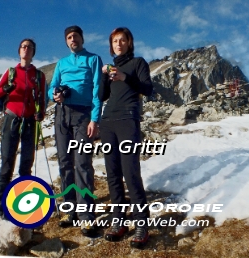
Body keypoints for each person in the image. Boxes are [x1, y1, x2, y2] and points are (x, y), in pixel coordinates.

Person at [98, 27, 153, 247]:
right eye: (114, 41)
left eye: (122, 40)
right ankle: (118, 220)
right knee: (112, 174)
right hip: (107, 121)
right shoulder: (112, 68)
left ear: (129, 42)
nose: (118, 44)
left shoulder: (138, 63)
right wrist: (104, 77)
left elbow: (147, 89)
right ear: (111, 45)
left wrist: (125, 77)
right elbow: (103, 96)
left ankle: (141, 223)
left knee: (131, 173)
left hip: (128, 119)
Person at [48, 25, 103, 237]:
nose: (73, 40)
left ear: (82, 38)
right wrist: (56, 95)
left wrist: (94, 119)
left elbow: (97, 91)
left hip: (83, 116)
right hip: (62, 114)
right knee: (64, 162)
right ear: (66, 42)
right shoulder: (61, 63)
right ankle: (69, 210)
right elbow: (53, 86)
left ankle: (86, 215)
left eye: (76, 36)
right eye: (69, 37)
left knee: (82, 163)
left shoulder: (93, 59)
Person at [0, 39, 47, 215]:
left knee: (26, 166)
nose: (26, 49)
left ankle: (23, 207)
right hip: (12, 120)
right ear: (19, 51)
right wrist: (5, 90)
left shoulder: (39, 76)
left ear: (33, 52)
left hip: (30, 122)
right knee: (7, 164)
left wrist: (41, 114)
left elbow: (42, 100)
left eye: (30, 47)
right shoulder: (10, 72)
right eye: (23, 46)